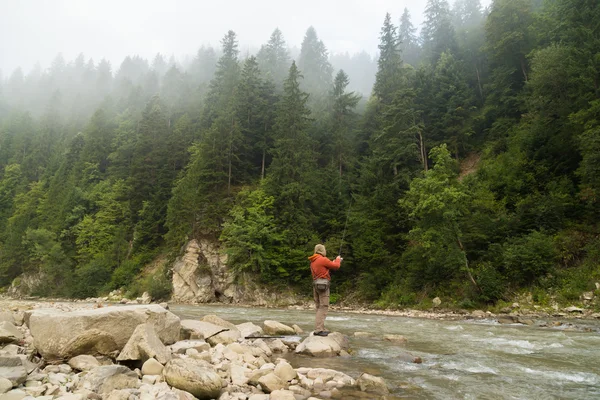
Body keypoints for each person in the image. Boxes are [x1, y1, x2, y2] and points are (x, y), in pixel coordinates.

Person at [308, 244, 341, 336]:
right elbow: (336, 266)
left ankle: (320, 327)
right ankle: (319, 329)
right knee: (324, 306)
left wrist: (333, 262)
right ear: (322, 250)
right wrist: (338, 259)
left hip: (315, 285)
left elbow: (326, 266)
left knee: (319, 307)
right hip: (323, 285)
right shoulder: (322, 259)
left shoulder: (313, 261)